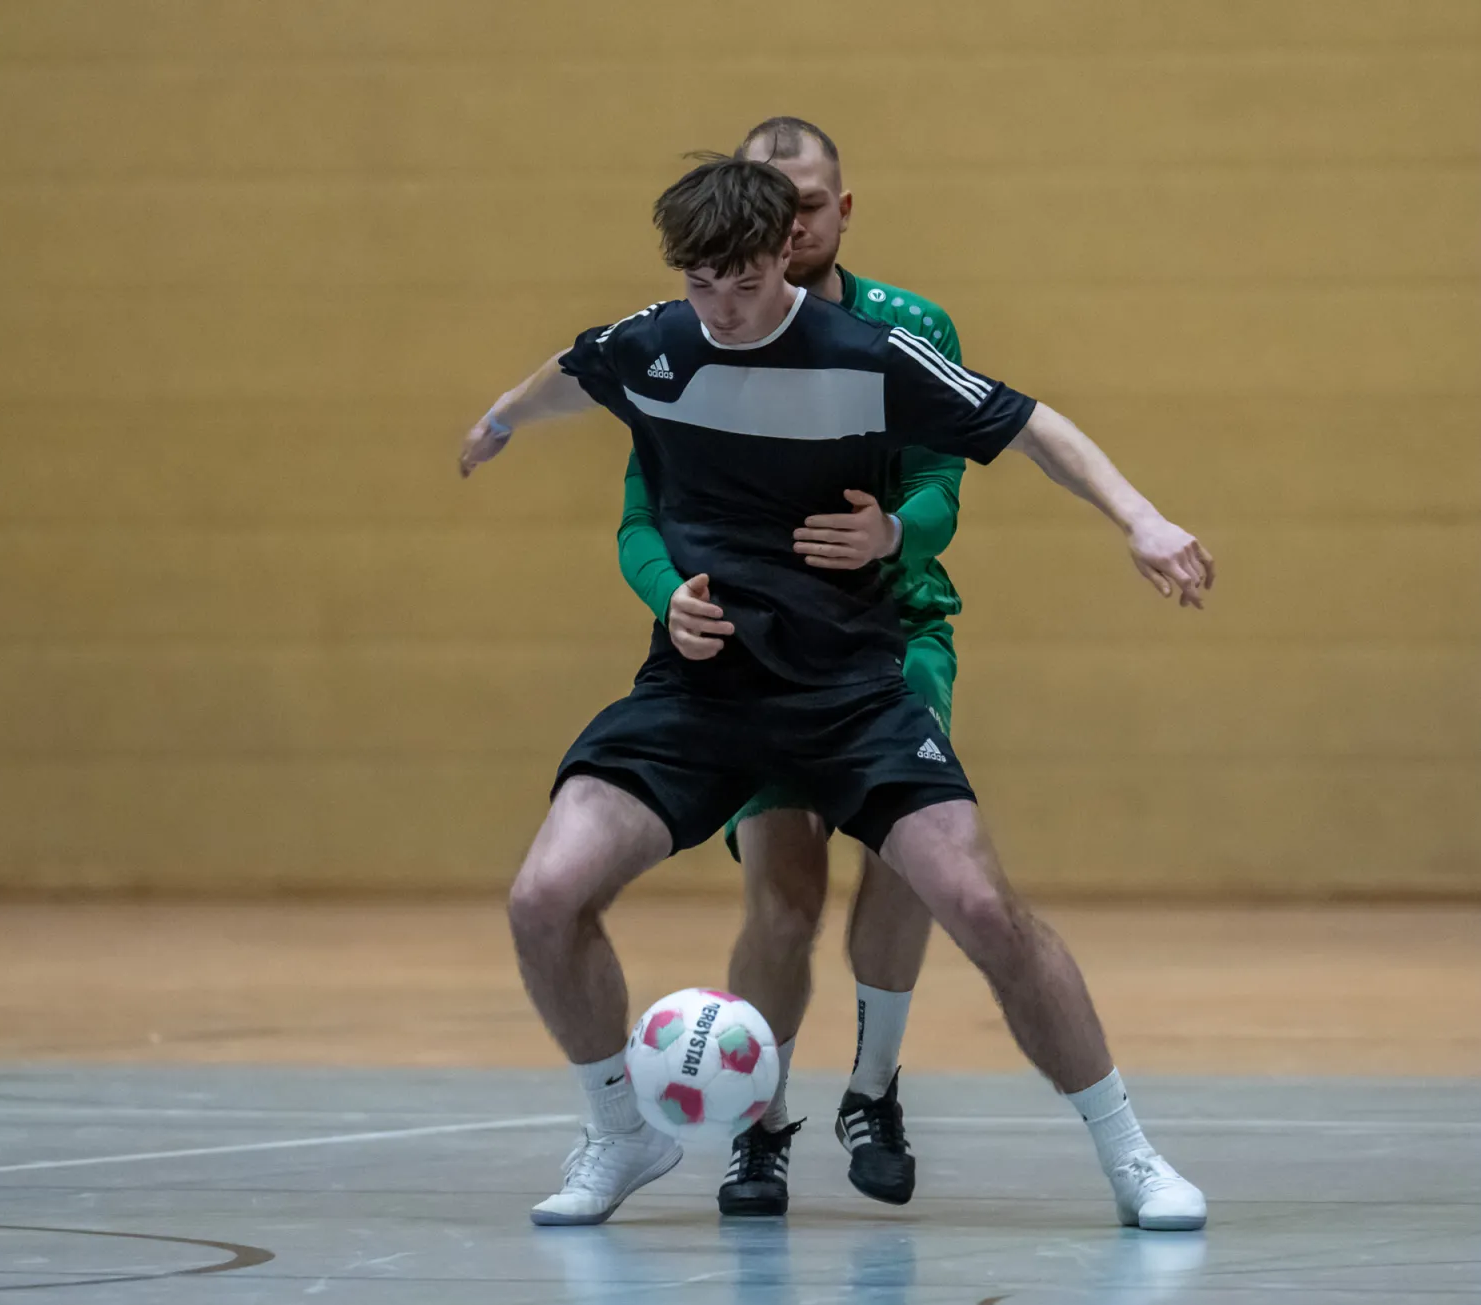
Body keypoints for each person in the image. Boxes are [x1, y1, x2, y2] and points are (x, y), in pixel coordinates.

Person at [458, 154, 1213, 1231]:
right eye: (700, 284)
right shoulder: (654, 342)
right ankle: (620, 1133)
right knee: (542, 896)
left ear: (788, 255)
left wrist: (1142, 518)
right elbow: (567, 377)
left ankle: (1131, 1157)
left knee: (983, 909)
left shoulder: (867, 356)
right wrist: (498, 421)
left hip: (849, 691)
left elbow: (1030, 425)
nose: (721, 309)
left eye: (744, 283)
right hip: (699, 692)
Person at [616, 115, 969, 1216]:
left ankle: (873, 1088)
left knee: (913, 855)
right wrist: (665, 596)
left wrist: (891, 533)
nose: (790, 223)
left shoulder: (905, 328)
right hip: (757, 651)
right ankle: (755, 1122)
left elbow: (943, 484)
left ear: (838, 211)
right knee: (784, 890)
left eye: (808, 204)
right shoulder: (684, 341)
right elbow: (639, 514)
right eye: (771, 205)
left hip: (889, 634)